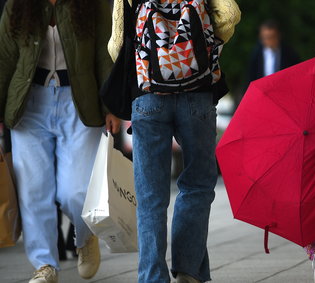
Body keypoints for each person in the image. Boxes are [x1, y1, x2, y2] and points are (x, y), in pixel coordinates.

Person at [108, 0, 240, 282]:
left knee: (150, 196)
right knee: (197, 185)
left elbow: (116, 44)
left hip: (148, 96)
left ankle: (153, 277)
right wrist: (201, 46)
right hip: (197, 91)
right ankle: (188, 271)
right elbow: (231, 14)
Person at [0, 0, 120, 282]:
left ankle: (84, 236)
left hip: (80, 102)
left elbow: (105, 54)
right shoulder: (17, 5)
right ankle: (45, 265)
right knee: (33, 191)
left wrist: (111, 107)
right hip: (28, 104)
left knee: (76, 191)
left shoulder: (93, 5)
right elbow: (4, 59)